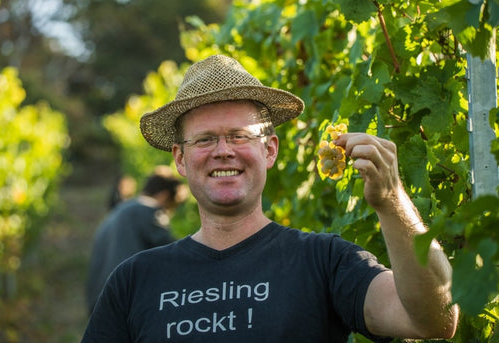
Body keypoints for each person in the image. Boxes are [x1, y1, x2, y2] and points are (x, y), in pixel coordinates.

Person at [81, 55, 458, 342]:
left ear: (270, 150)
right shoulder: (134, 281)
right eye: (205, 139)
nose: (223, 151)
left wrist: (392, 200)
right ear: (180, 158)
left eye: (240, 135)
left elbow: (436, 320)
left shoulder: (325, 262)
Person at [85, 166, 185, 315]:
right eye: (171, 206)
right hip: (126, 301)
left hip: (99, 299)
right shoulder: (150, 212)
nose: (169, 212)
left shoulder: (121, 210)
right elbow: (175, 252)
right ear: (164, 196)